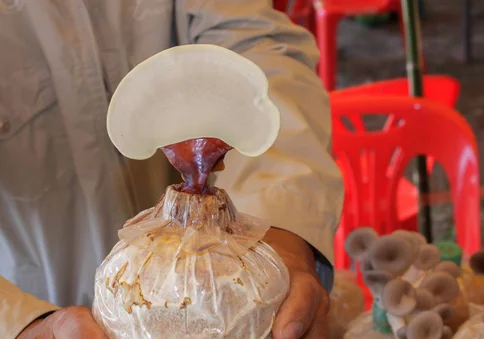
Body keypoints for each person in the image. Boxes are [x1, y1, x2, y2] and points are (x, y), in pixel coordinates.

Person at [0, 1, 343, 338]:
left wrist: (280, 229)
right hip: (28, 282)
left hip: (226, 279)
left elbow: (258, 47)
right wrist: (21, 324)